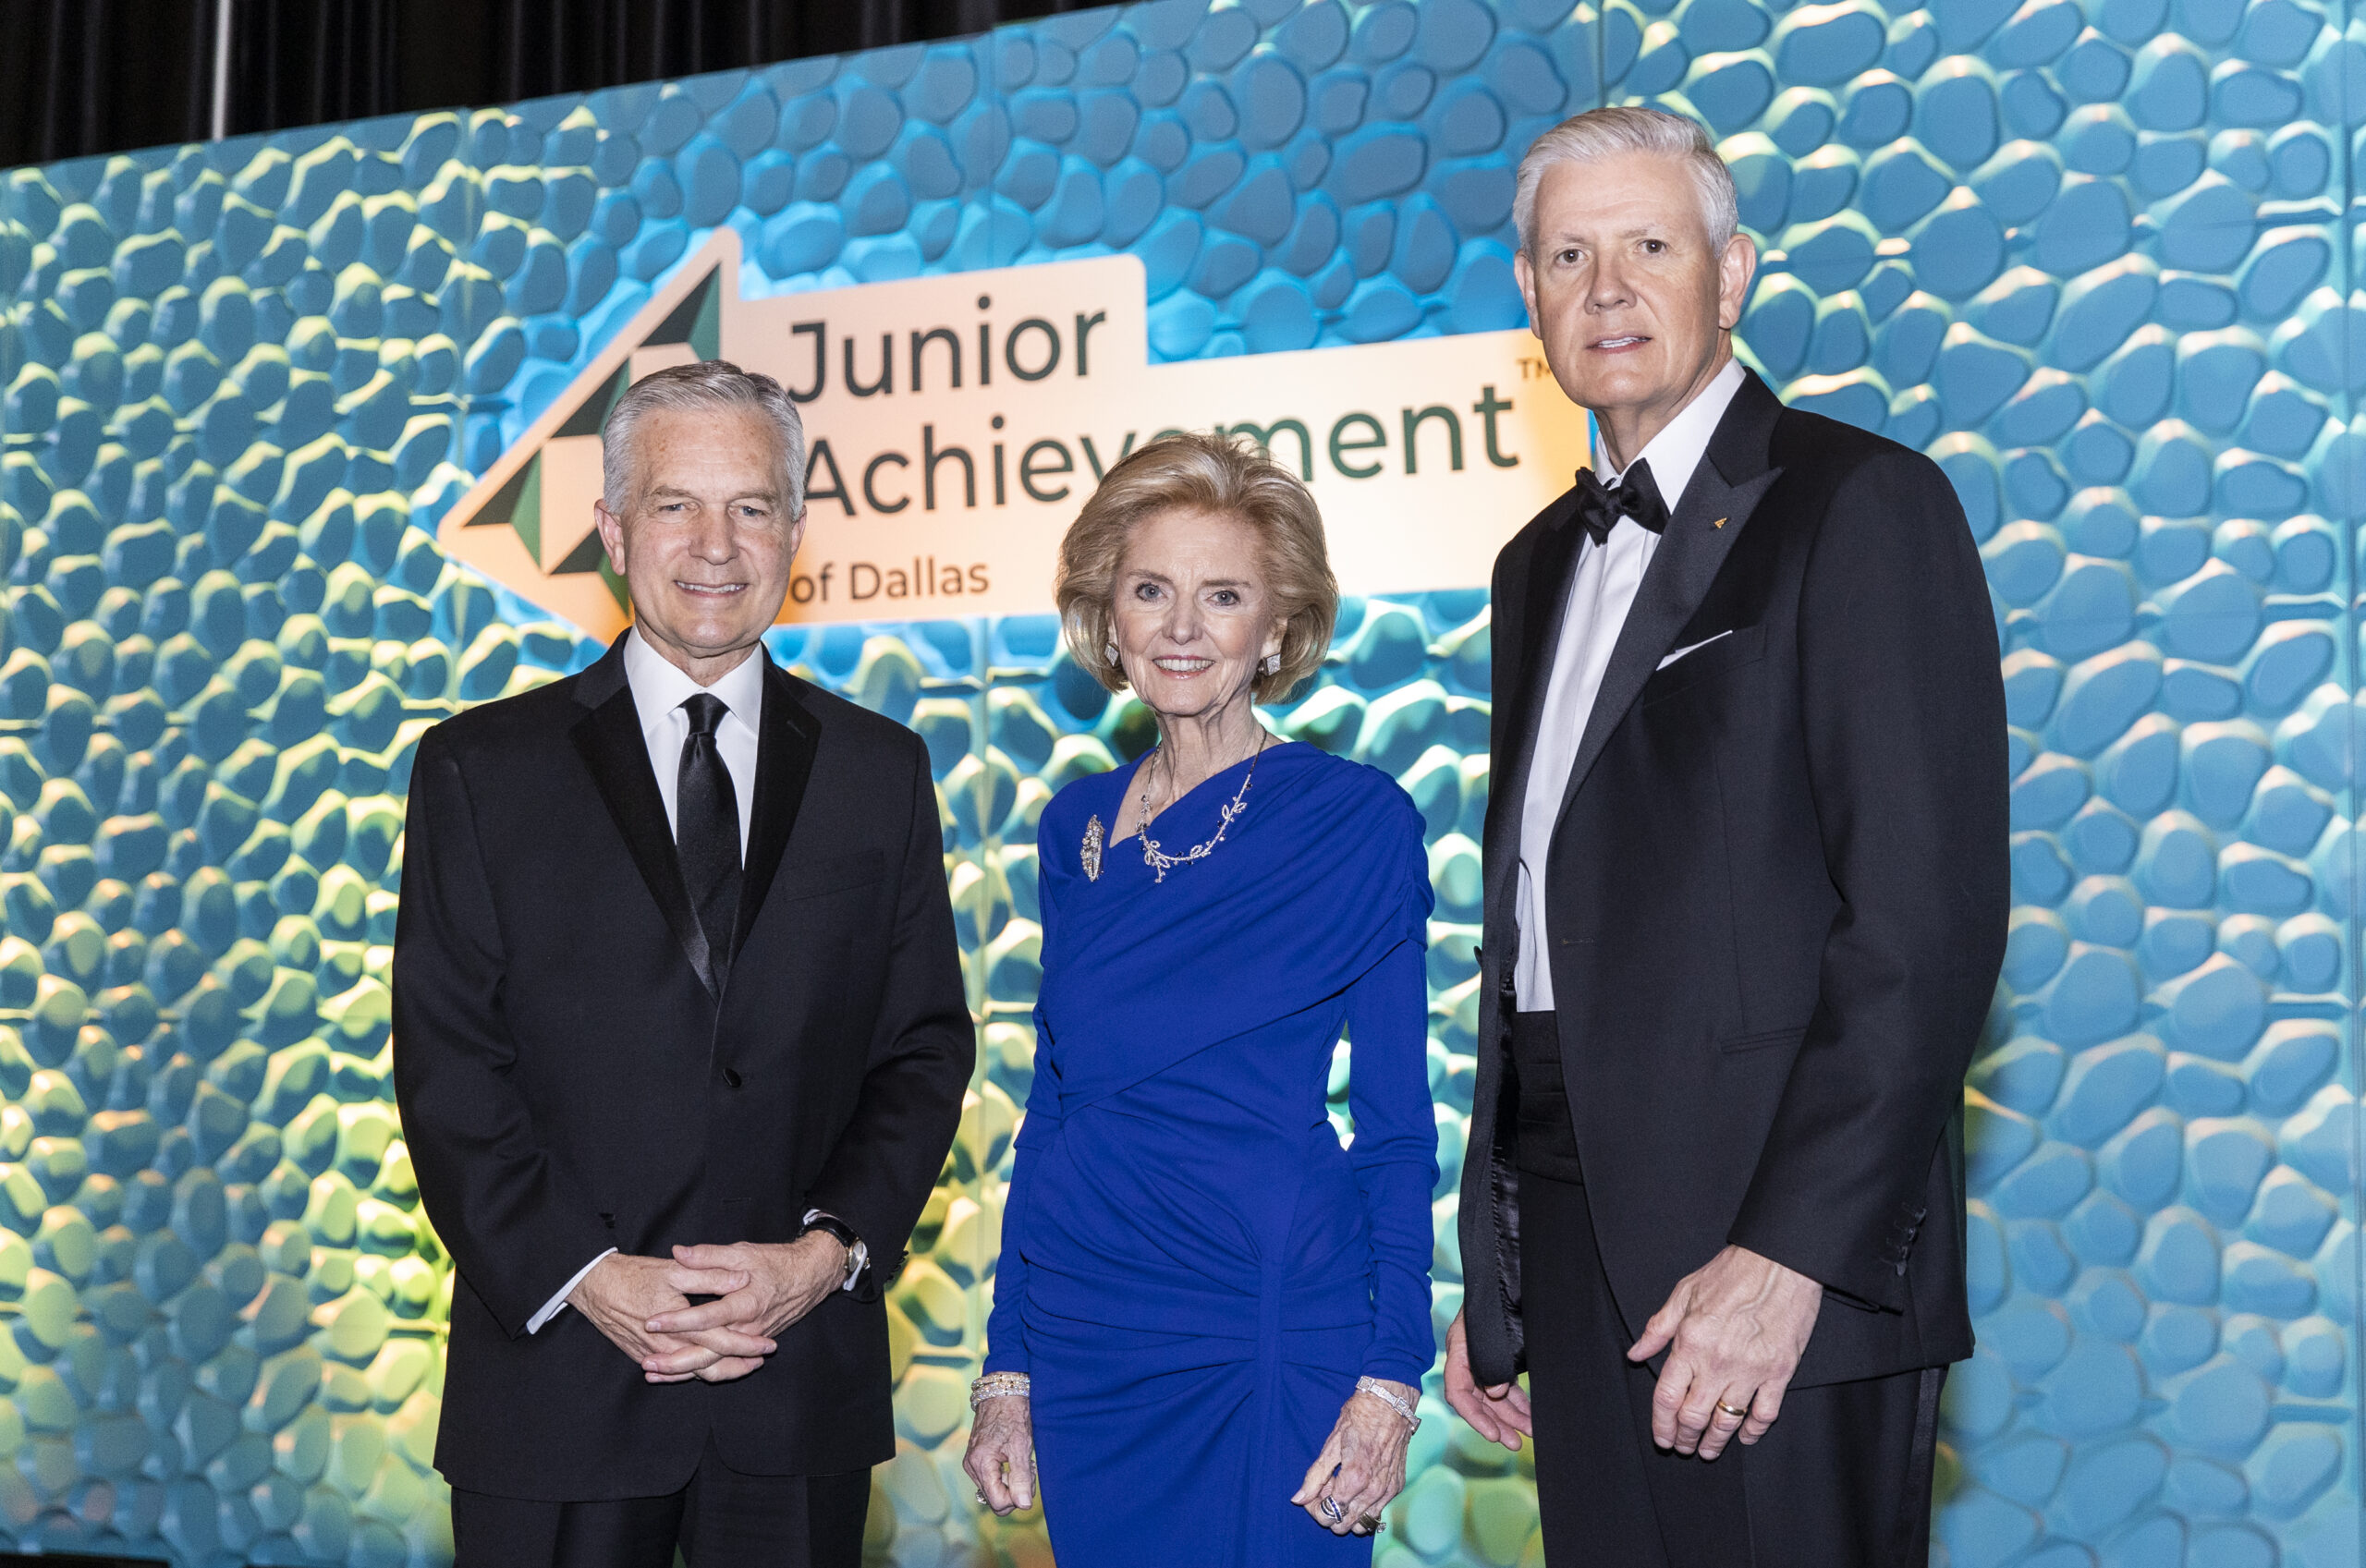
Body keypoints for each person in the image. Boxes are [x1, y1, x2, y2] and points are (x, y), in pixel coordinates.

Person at [1443, 107, 2008, 1566]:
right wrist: (1498, 1258)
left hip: (1768, 1257)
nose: (1608, 289)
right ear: (1528, 293)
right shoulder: (1531, 567)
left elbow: (1921, 932)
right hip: (1575, 1247)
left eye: (1649, 245)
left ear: (1734, 272)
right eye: (1569, 254)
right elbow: (1545, 931)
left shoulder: (1863, 504)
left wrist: (1791, 1253)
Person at [392, 360, 972, 1567]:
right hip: (559, 1395)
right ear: (610, 529)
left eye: (752, 506)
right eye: (674, 505)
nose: (717, 544)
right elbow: (450, 1065)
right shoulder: (478, 769)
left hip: (793, 1396)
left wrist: (824, 1257)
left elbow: (921, 1049)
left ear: (796, 531)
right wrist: (588, 1275)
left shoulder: (884, 770)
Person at [959, 433, 1438, 1562]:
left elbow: (1398, 1131)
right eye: (1150, 591)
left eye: (1221, 595)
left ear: (1274, 628)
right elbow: (1053, 1110)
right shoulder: (1070, 825)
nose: (1182, 627)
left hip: (1264, 1326)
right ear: (1107, 619)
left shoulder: (1353, 821)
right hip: (1088, 1340)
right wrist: (1007, 1363)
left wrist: (1389, 1379)